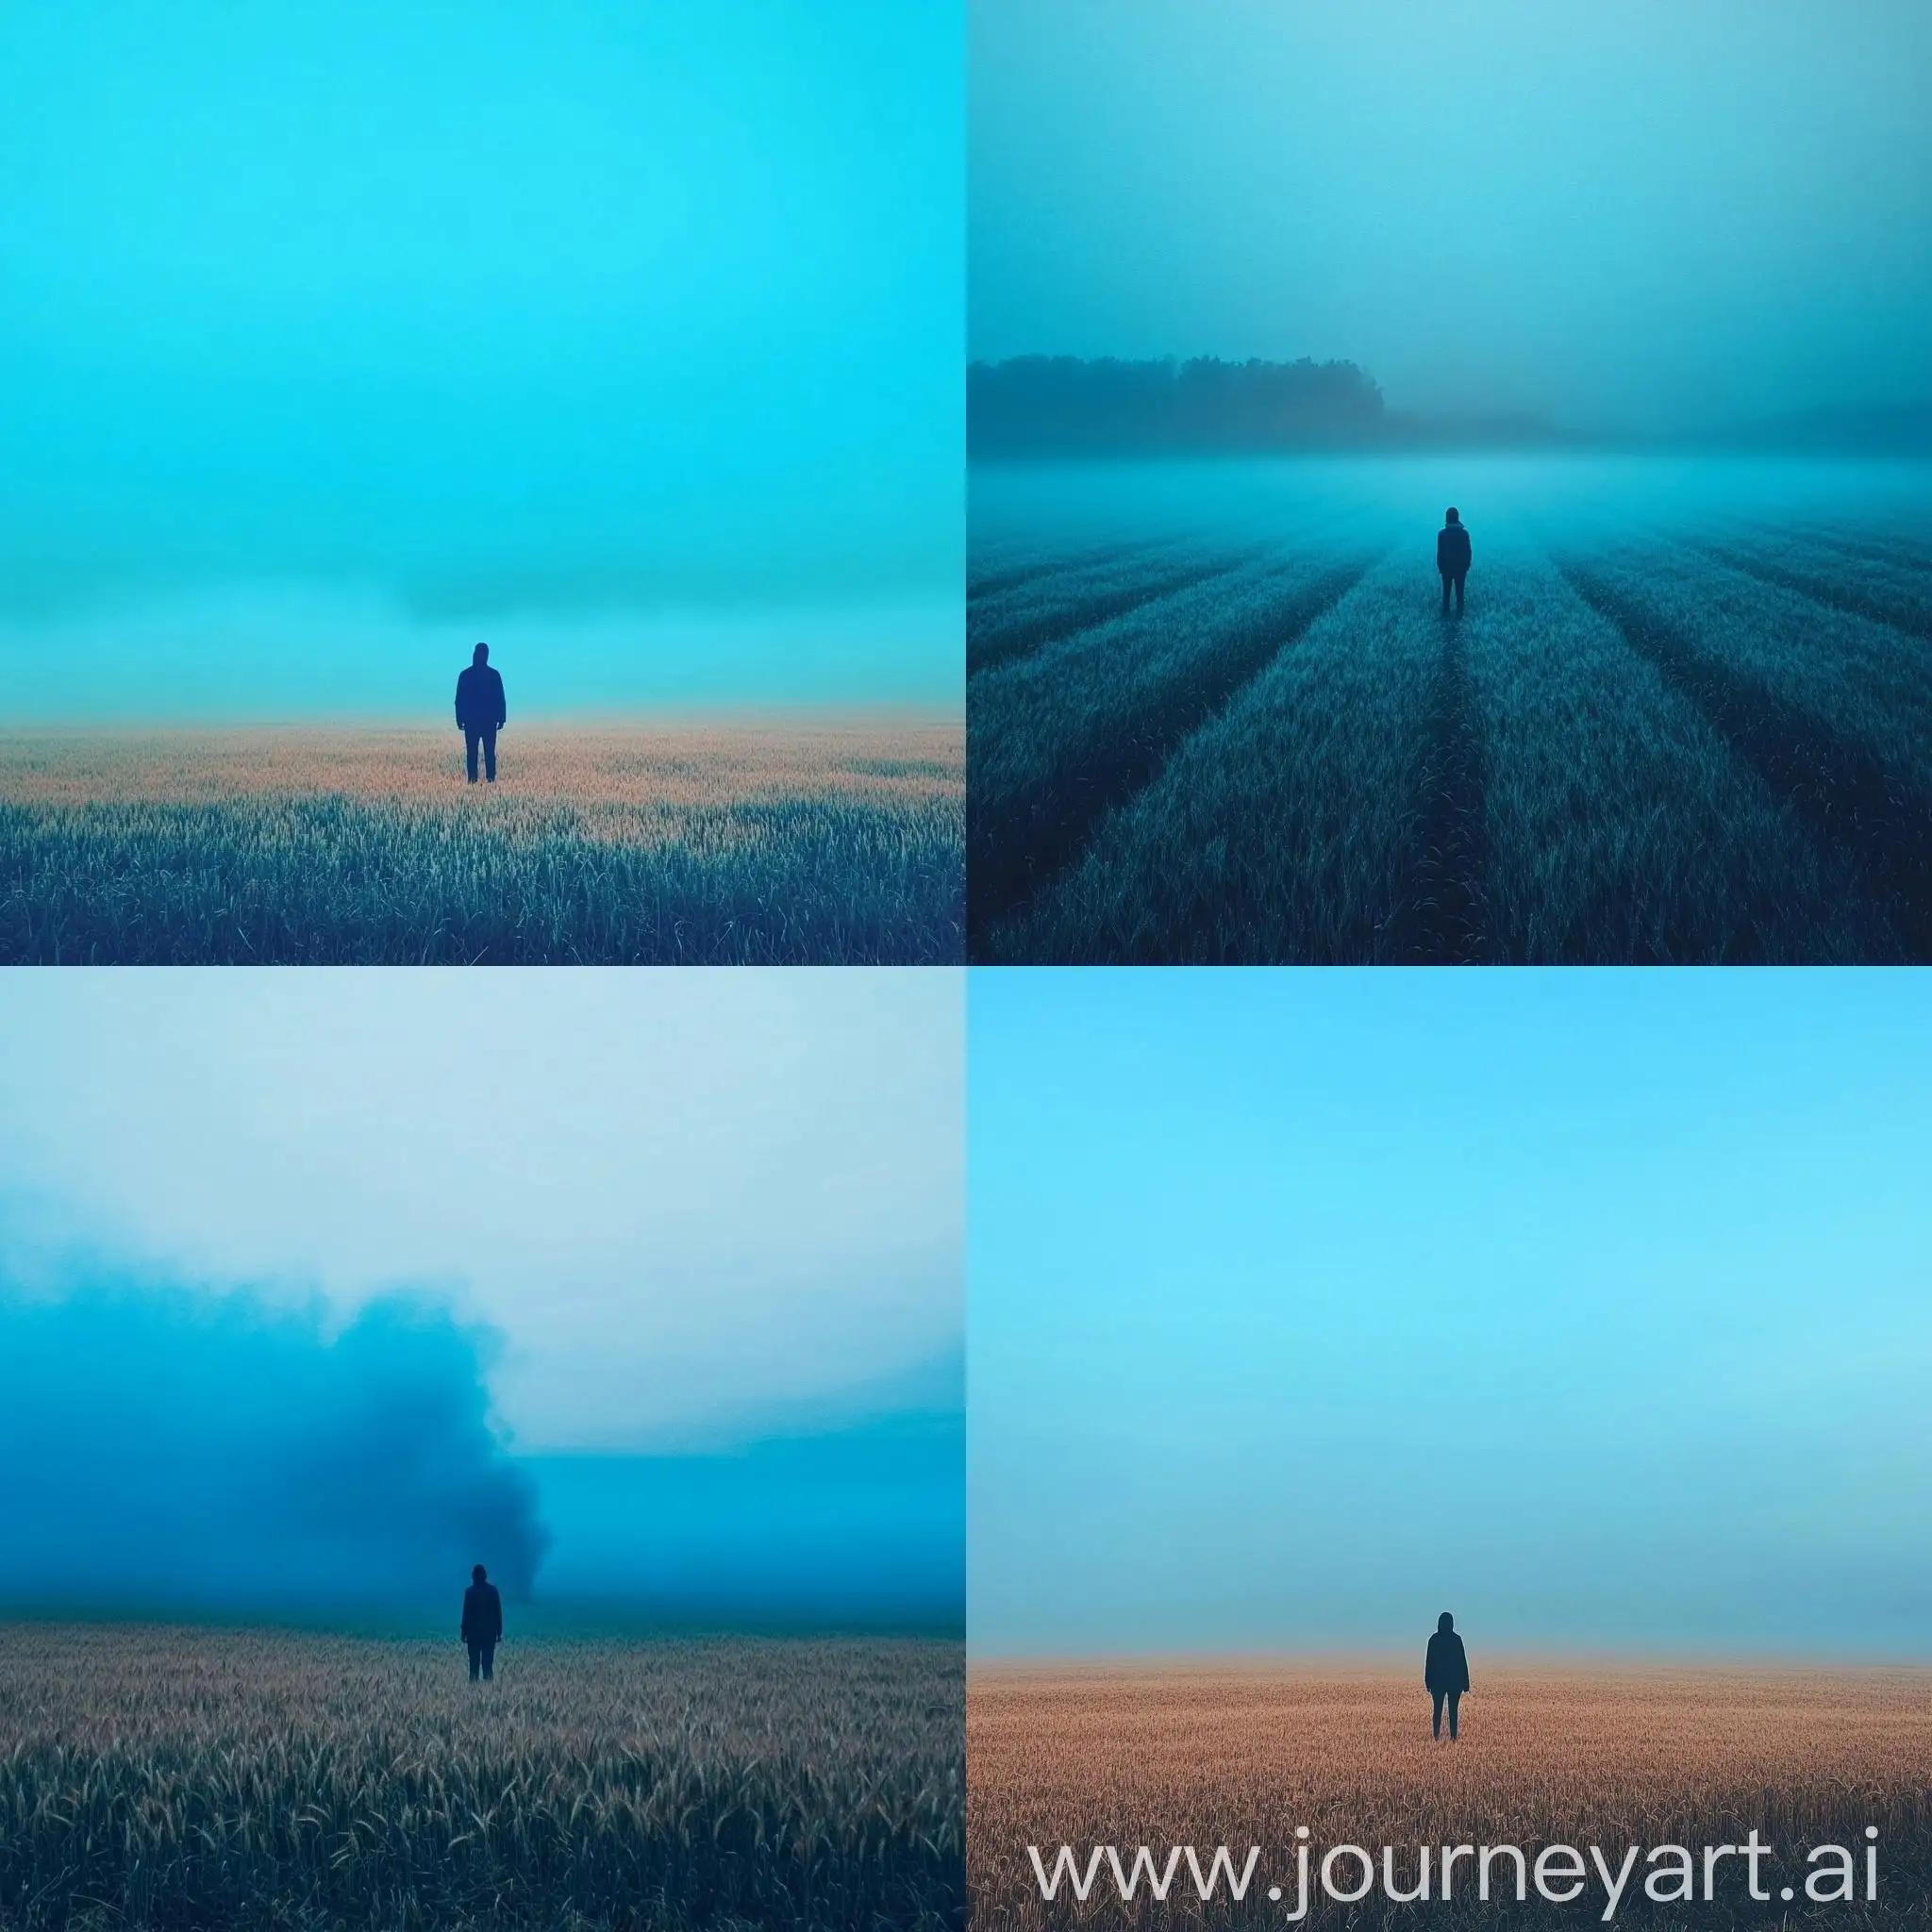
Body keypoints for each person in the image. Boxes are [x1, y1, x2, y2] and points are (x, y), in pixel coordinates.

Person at [454, 642, 508, 783]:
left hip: (471, 721)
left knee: (472, 753)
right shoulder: (494, 675)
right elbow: (500, 698)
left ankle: (472, 781)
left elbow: (459, 699)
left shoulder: (465, 675)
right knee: (489, 753)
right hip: (489, 721)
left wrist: (459, 718)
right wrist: (501, 718)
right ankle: (490, 780)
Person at [1424, 1611, 1470, 1740]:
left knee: (1437, 1710)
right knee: (1453, 1711)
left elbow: (1429, 1663)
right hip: (1455, 1682)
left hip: (1437, 1682)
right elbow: (1462, 1662)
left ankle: (1436, 1736)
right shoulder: (1456, 1639)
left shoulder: (1433, 1640)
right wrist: (1466, 1683)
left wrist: (1428, 1682)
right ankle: (1453, 1737)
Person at [462, 1563, 504, 1681]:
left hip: (473, 1635)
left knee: (473, 1666)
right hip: (489, 1634)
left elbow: (466, 1615)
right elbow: (498, 1612)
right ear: (485, 1576)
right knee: (488, 1665)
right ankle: (488, 1691)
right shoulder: (493, 1591)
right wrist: (499, 1632)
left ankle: (472, 1692)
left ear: (473, 1577)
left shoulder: (469, 1592)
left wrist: (463, 1633)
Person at [1437, 508, 1472, 616]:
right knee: (1460, 594)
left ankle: (1445, 614)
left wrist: (1441, 568)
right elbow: (1468, 553)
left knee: (1446, 594)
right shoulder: (1464, 534)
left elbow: (1440, 553)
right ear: (1457, 518)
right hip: (1461, 570)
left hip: (1446, 569)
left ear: (1447, 518)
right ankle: (1459, 615)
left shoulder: (1442, 534)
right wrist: (1466, 567)